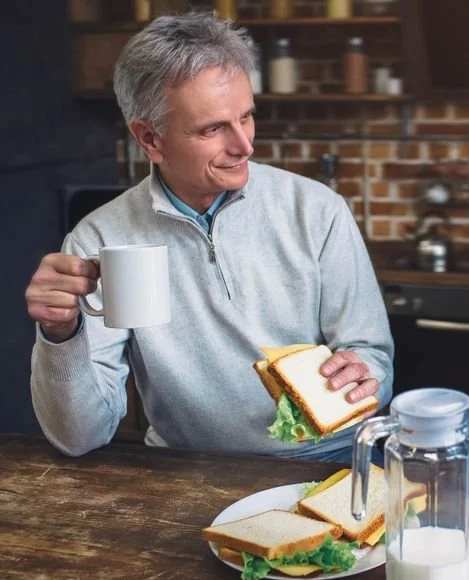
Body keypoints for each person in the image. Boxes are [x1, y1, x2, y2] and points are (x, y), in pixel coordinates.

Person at [25, 13, 393, 463]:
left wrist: (364, 372)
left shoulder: (317, 210)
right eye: (214, 128)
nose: (245, 146)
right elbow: (78, 436)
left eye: (247, 117)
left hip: (331, 460)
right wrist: (60, 336)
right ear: (150, 138)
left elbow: (372, 354)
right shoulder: (97, 240)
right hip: (187, 470)